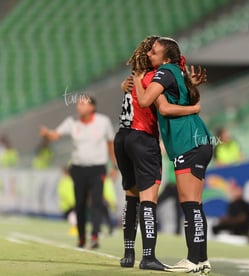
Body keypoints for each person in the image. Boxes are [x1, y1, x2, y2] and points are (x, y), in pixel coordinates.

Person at [115, 35, 205, 270]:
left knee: (131, 197)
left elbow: (136, 96)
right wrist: (193, 105)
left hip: (122, 136)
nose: (148, 54)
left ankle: (127, 254)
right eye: (150, 51)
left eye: (152, 51)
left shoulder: (135, 79)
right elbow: (160, 106)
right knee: (150, 200)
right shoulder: (153, 77)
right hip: (143, 139)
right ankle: (149, 257)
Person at [135, 37, 213, 274]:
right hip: (197, 141)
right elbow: (172, 100)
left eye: (154, 52)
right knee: (195, 205)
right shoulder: (175, 72)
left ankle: (193, 260)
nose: (149, 54)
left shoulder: (165, 72)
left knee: (190, 205)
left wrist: (138, 79)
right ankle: (202, 260)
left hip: (188, 143)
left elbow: (148, 101)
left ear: (166, 58)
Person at [40, 97, 117, 249]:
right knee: (80, 204)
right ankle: (82, 237)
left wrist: (114, 166)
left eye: (82, 104)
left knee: (96, 202)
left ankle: (95, 236)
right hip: (78, 169)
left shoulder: (103, 122)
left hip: (97, 168)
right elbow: (55, 135)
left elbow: (110, 143)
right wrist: (47, 134)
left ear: (92, 107)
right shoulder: (72, 122)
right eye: (78, 104)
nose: (78, 107)